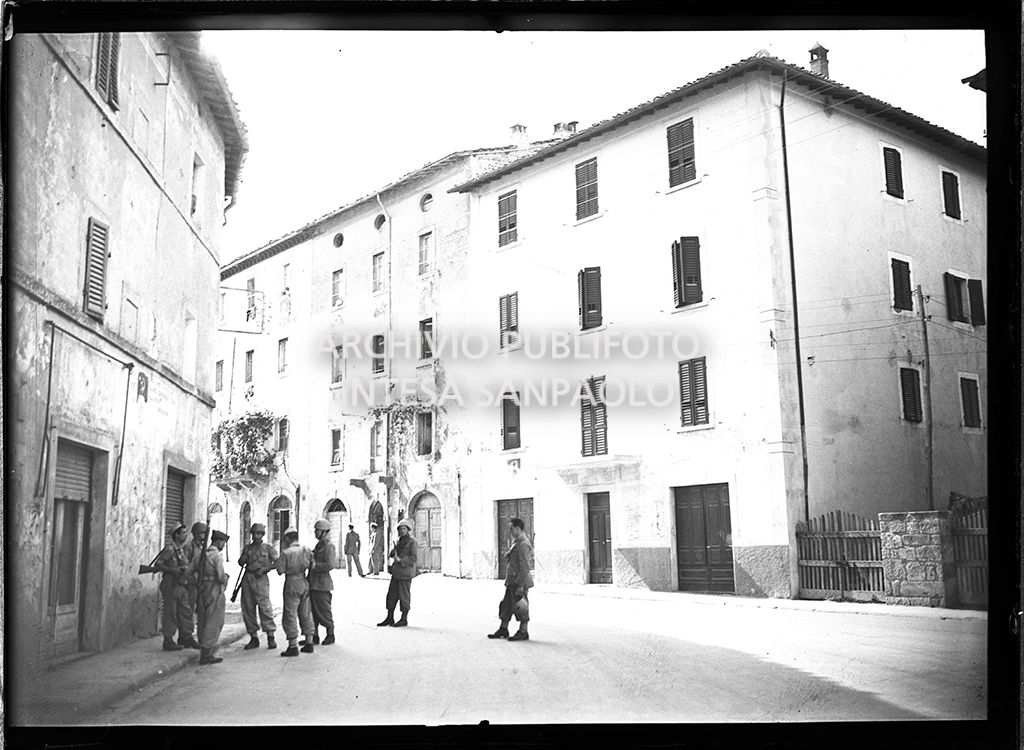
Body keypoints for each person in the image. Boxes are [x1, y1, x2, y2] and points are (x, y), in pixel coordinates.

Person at [488, 516, 534, 642]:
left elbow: (525, 567)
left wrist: (520, 585)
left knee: (521, 606)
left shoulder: (523, 544)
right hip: (511, 581)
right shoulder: (517, 542)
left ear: (518, 529)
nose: (510, 531)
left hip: (519, 582)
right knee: (506, 605)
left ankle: (523, 631)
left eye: (511, 528)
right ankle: (503, 629)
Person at [189, 529, 230, 665]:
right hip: (214, 589)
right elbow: (220, 576)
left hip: (201, 589)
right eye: (223, 543)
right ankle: (206, 652)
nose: (223, 546)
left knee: (202, 619)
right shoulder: (217, 556)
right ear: (218, 542)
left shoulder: (199, 555)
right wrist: (225, 579)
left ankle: (203, 645)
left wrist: (197, 581)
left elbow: (188, 573)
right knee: (214, 620)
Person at [237, 522, 279, 650]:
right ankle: (253, 637)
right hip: (248, 578)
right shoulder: (248, 548)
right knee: (248, 607)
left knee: (265, 607)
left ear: (262, 534)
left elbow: (277, 563)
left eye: (259, 533)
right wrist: (245, 556)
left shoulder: (268, 548)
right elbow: (240, 562)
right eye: (254, 533)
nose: (256, 536)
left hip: (261, 578)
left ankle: (270, 637)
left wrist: (265, 569)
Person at [276, 527, 315, 657]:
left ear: (287, 538)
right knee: (306, 612)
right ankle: (309, 642)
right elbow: (312, 565)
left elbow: (280, 570)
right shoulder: (306, 549)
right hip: (304, 582)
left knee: (290, 614)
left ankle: (293, 645)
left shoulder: (286, 553)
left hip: (292, 583)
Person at [152, 523, 191, 651]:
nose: (185, 535)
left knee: (184, 610)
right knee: (170, 611)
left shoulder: (181, 549)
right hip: (170, 582)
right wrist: (173, 570)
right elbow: (158, 565)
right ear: (176, 535)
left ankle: (185, 637)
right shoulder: (169, 549)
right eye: (183, 533)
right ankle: (168, 640)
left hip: (180, 584)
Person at [376, 517, 417, 627]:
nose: (401, 531)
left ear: (408, 530)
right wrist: (393, 552)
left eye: (404, 529)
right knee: (391, 596)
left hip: (405, 574)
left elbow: (414, 558)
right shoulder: (399, 541)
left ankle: (404, 619)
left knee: (404, 596)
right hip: (396, 573)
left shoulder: (412, 542)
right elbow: (392, 554)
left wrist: (401, 560)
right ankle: (390, 618)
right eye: (400, 529)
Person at [309, 518, 337, 645]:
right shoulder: (319, 545)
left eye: (317, 530)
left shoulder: (329, 546)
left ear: (324, 532)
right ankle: (314, 636)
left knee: (324, 611)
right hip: (313, 583)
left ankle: (330, 634)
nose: (315, 532)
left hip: (322, 584)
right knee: (312, 611)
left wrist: (315, 565)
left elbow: (330, 564)